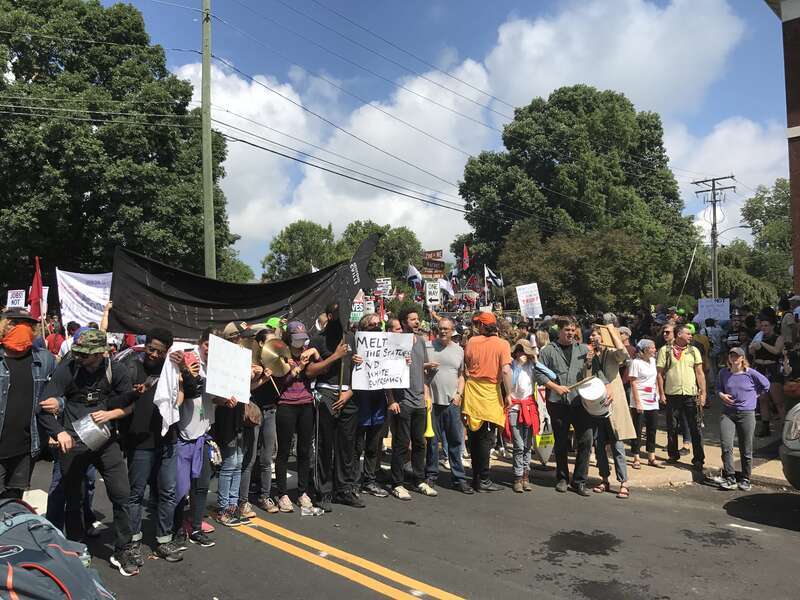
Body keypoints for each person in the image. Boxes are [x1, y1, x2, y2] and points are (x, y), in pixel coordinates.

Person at [38, 328, 138, 576]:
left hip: (106, 441)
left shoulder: (117, 370)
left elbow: (129, 403)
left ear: (102, 353)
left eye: (86, 355)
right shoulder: (69, 367)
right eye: (78, 353)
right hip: (73, 442)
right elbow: (43, 406)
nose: (80, 358)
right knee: (74, 496)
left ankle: (123, 547)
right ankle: (77, 544)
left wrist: (111, 414)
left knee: (121, 493)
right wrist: (58, 432)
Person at [122, 328, 185, 564]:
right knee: (136, 493)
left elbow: (186, 391)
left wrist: (183, 369)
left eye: (160, 351)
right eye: (151, 349)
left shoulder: (172, 367)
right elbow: (119, 398)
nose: (154, 355)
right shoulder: (132, 366)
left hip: (168, 439)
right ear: (145, 345)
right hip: (140, 441)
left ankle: (163, 540)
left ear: (167, 350)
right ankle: (133, 541)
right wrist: (133, 393)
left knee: (168, 492)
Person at [306, 303, 363, 510]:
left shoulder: (351, 338)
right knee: (324, 445)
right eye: (339, 313)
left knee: (347, 445)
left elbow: (362, 372)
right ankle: (323, 490)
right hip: (326, 394)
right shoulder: (318, 340)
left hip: (348, 394)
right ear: (330, 316)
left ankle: (344, 489)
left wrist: (350, 391)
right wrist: (334, 356)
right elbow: (310, 371)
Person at [0, 308, 58, 498]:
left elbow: (61, 391)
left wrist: (58, 402)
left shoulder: (45, 359)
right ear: (5, 326)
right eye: (16, 324)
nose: (23, 329)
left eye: (28, 325)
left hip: (26, 448)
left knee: (13, 503)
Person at [168, 328, 217, 550]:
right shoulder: (188, 359)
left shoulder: (217, 367)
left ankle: (195, 527)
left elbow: (217, 396)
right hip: (184, 435)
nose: (210, 349)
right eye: (207, 344)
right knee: (180, 487)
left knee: (201, 486)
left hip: (203, 435)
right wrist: (187, 371)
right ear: (200, 343)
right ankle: (177, 530)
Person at [535, 317, 593, 496]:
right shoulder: (548, 351)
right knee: (560, 442)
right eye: (567, 329)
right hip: (557, 402)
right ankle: (562, 478)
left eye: (573, 329)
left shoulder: (583, 349)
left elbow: (592, 374)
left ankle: (579, 481)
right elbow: (539, 373)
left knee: (586, 440)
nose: (570, 333)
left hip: (580, 402)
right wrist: (555, 387)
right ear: (559, 331)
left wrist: (590, 363)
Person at [386, 308, 436, 500]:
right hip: (402, 401)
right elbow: (387, 372)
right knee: (401, 444)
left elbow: (420, 369)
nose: (417, 322)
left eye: (418, 319)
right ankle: (397, 483)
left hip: (419, 400)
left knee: (420, 442)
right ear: (404, 322)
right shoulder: (395, 343)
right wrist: (391, 399)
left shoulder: (422, 342)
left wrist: (426, 395)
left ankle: (419, 479)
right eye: (413, 319)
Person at [462, 312, 512, 493]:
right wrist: (509, 394)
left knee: (474, 437)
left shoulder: (472, 342)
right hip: (490, 392)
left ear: (482, 326)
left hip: (472, 390)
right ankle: (483, 479)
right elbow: (505, 370)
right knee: (486, 438)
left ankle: (477, 476)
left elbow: (466, 363)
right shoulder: (502, 344)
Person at [273, 323, 318, 512]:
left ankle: (302, 491)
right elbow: (279, 381)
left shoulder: (307, 352)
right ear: (289, 338)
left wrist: (315, 352)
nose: (301, 341)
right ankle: (282, 493)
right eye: (297, 337)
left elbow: (320, 369)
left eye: (303, 337)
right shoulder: (281, 355)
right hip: (286, 405)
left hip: (306, 403)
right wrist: (294, 369)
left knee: (304, 449)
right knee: (284, 450)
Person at [587, 325, 636, 499]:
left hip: (613, 402)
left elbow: (623, 354)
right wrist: (588, 360)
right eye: (592, 335)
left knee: (617, 443)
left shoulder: (612, 352)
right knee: (599, 444)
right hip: (596, 404)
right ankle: (604, 478)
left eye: (597, 335)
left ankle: (624, 482)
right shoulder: (590, 354)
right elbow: (586, 375)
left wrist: (612, 333)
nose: (594, 338)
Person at [423, 317, 470, 494]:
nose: (443, 331)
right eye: (441, 328)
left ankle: (458, 478)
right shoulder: (428, 347)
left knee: (455, 441)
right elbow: (419, 372)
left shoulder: (459, 351)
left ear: (452, 331)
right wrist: (426, 395)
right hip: (432, 402)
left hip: (452, 403)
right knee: (432, 441)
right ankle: (431, 475)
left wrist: (459, 394)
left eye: (447, 329)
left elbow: (461, 375)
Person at [716, 347, 770, 491]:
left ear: (742, 358)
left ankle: (746, 478)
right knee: (726, 445)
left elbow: (766, 385)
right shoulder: (723, 373)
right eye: (731, 355)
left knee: (746, 447)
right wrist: (721, 395)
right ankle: (730, 477)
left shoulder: (750, 374)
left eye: (737, 356)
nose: (734, 358)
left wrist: (755, 396)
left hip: (746, 413)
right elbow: (718, 388)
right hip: (728, 413)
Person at [656, 324, 707, 475]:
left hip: (690, 394)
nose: (691, 336)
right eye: (688, 333)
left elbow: (700, 373)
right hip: (672, 393)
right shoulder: (665, 350)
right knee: (672, 426)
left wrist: (703, 393)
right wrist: (661, 393)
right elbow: (659, 373)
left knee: (695, 427)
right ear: (679, 334)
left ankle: (698, 459)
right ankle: (673, 455)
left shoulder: (693, 350)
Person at [351, 314, 390, 498]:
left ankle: (370, 480)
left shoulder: (386, 343)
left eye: (378, 324)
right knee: (357, 444)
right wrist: (353, 360)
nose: (376, 326)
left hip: (378, 398)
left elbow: (393, 364)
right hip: (360, 398)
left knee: (374, 444)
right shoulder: (355, 344)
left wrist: (402, 364)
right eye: (372, 324)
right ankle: (353, 481)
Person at [248, 328, 280, 514]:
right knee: (251, 457)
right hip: (254, 410)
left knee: (267, 458)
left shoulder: (276, 360)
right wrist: (260, 377)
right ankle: (243, 499)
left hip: (270, 410)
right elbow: (246, 387)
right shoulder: (251, 360)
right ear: (260, 343)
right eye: (269, 341)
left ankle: (264, 496)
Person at [506, 339, 539, 493]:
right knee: (519, 445)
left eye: (524, 351)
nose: (521, 354)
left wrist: (535, 359)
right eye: (519, 351)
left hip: (529, 407)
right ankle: (518, 477)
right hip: (514, 407)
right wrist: (518, 365)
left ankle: (526, 476)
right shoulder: (511, 366)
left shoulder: (533, 367)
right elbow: (511, 382)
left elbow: (550, 374)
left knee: (527, 445)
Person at [628, 339, 662, 469]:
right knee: (637, 428)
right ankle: (636, 456)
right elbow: (633, 383)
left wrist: (658, 393)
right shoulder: (636, 363)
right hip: (640, 398)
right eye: (652, 348)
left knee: (652, 428)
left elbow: (655, 378)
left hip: (652, 399)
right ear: (645, 349)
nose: (654, 350)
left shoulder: (653, 361)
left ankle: (651, 455)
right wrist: (637, 402)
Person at [750, 316, 785, 437]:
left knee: (777, 400)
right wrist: (753, 347)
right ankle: (765, 427)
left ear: (772, 326)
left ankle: (785, 427)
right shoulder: (758, 337)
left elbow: (776, 351)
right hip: (760, 369)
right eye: (762, 325)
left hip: (772, 369)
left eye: (766, 326)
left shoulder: (778, 338)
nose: (764, 328)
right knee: (762, 399)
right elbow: (751, 353)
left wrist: (762, 344)